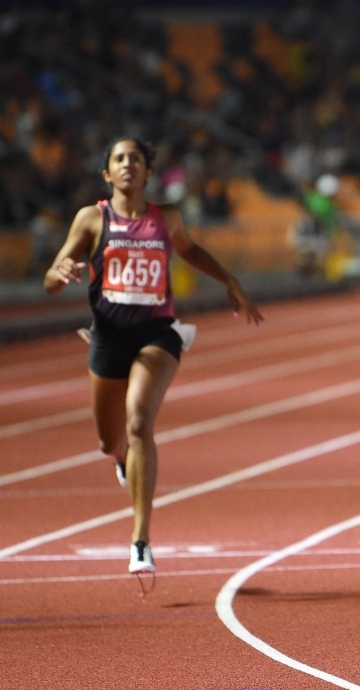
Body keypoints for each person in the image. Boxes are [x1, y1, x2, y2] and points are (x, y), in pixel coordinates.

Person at [44, 138, 262, 576]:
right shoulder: (92, 218)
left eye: (136, 159)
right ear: (107, 174)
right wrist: (61, 272)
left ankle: (140, 539)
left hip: (157, 335)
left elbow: (190, 250)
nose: (128, 165)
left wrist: (230, 280)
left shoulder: (167, 218)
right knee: (110, 440)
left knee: (140, 420)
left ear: (148, 173)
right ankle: (122, 459)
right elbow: (51, 278)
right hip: (107, 338)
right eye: (119, 159)